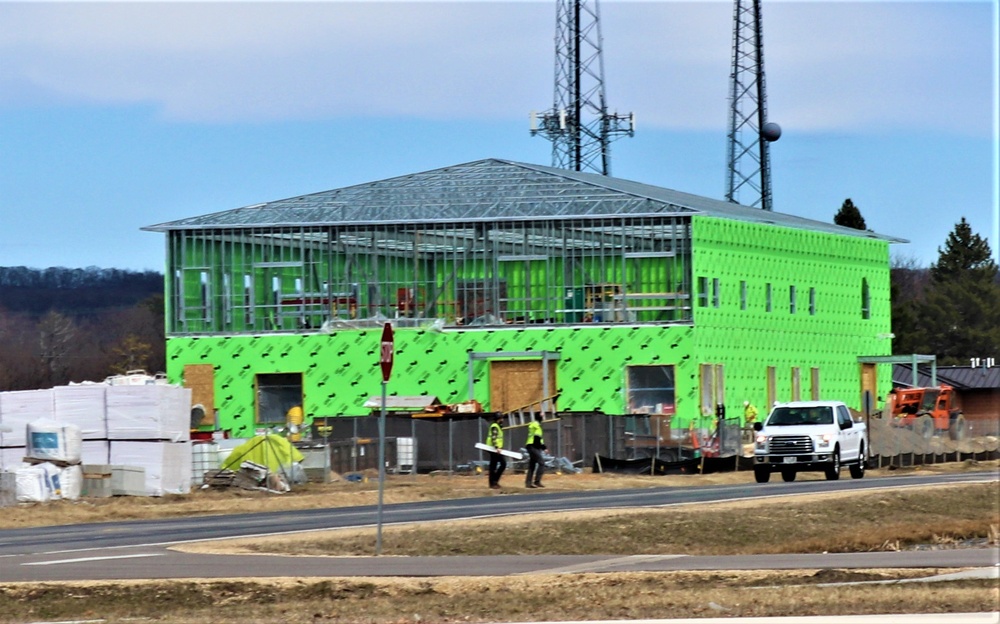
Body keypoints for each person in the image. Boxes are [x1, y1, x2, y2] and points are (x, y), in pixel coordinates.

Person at [524, 414, 547, 489]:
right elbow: (537, 439)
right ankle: (537, 481)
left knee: (532, 465)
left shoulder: (534, 425)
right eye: (542, 416)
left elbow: (539, 439)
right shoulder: (537, 426)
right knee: (542, 463)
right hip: (533, 446)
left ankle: (528, 483)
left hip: (531, 445)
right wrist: (543, 448)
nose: (543, 417)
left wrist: (543, 447)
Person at [486, 414, 506, 489]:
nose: (503, 420)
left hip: (495, 448)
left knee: (493, 465)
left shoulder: (498, 426)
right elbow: (493, 438)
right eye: (502, 418)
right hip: (493, 448)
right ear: (499, 419)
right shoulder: (495, 426)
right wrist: (497, 447)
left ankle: (493, 482)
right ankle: (494, 482)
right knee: (502, 464)